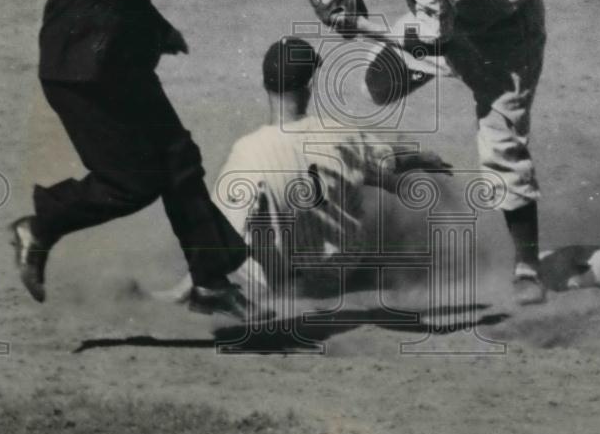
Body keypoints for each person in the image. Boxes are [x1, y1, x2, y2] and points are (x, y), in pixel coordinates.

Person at [11, 0, 249, 319]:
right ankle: (41, 226)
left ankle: (211, 281)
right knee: (132, 182)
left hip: (110, 60)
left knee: (178, 157)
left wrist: (157, 30)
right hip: (84, 72)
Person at [336, 0, 549, 304]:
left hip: (504, 38)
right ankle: (407, 164)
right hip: (454, 13)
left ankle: (527, 267)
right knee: (380, 82)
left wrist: (361, 27)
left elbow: (433, 38)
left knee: (501, 146)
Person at [155, 37, 452, 303]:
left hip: (277, 285)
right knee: (357, 173)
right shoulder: (343, 134)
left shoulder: (248, 152)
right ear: (309, 87)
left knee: (238, 214)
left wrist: (183, 288)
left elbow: (216, 234)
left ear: (266, 86)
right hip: (338, 276)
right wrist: (420, 159)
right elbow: (391, 162)